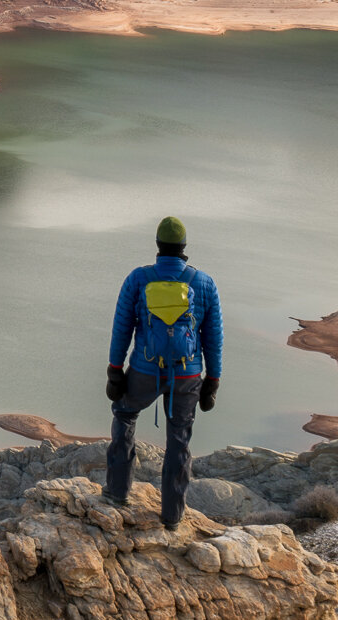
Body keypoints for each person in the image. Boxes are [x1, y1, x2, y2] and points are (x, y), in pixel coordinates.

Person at [102, 215, 222, 527]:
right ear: (183, 247)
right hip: (187, 375)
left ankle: (117, 492)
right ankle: (172, 516)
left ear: (158, 246)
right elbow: (213, 337)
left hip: (144, 369)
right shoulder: (204, 284)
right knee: (179, 438)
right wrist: (213, 379)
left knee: (126, 414)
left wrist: (115, 370)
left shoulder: (138, 279)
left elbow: (122, 328)